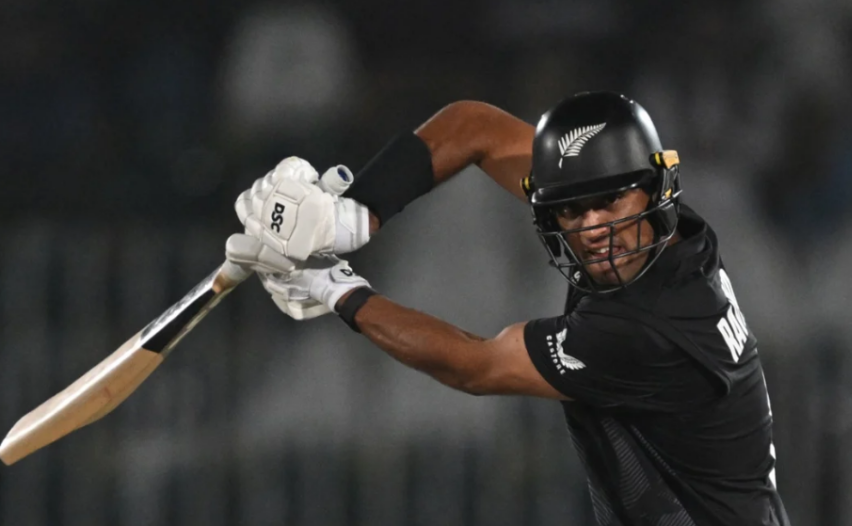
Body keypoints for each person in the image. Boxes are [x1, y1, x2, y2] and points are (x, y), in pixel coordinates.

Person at [226, 91, 791, 526]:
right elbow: (475, 127)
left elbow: (476, 367)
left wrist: (333, 286)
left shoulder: (645, 332)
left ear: (653, 189)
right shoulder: (672, 232)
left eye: (609, 202)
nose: (594, 229)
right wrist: (350, 215)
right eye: (572, 210)